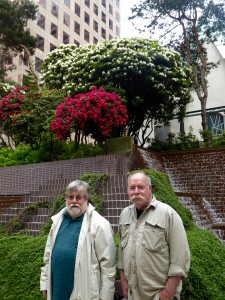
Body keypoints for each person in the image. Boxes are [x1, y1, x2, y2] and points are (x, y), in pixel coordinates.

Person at [118, 171, 191, 300]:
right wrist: (123, 281)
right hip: (131, 296)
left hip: (158, 296)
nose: (136, 191)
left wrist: (167, 294)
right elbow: (122, 253)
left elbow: (180, 259)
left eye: (140, 187)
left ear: (149, 189)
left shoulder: (168, 214)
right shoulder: (124, 214)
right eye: (132, 188)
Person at [40, 180, 116, 300]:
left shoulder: (100, 224)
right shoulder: (58, 221)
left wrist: (106, 297)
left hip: (85, 293)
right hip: (57, 290)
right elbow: (47, 255)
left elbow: (108, 267)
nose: (74, 201)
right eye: (71, 197)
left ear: (86, 200)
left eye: (79, 197)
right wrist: (45, 283)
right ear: (66, 199)